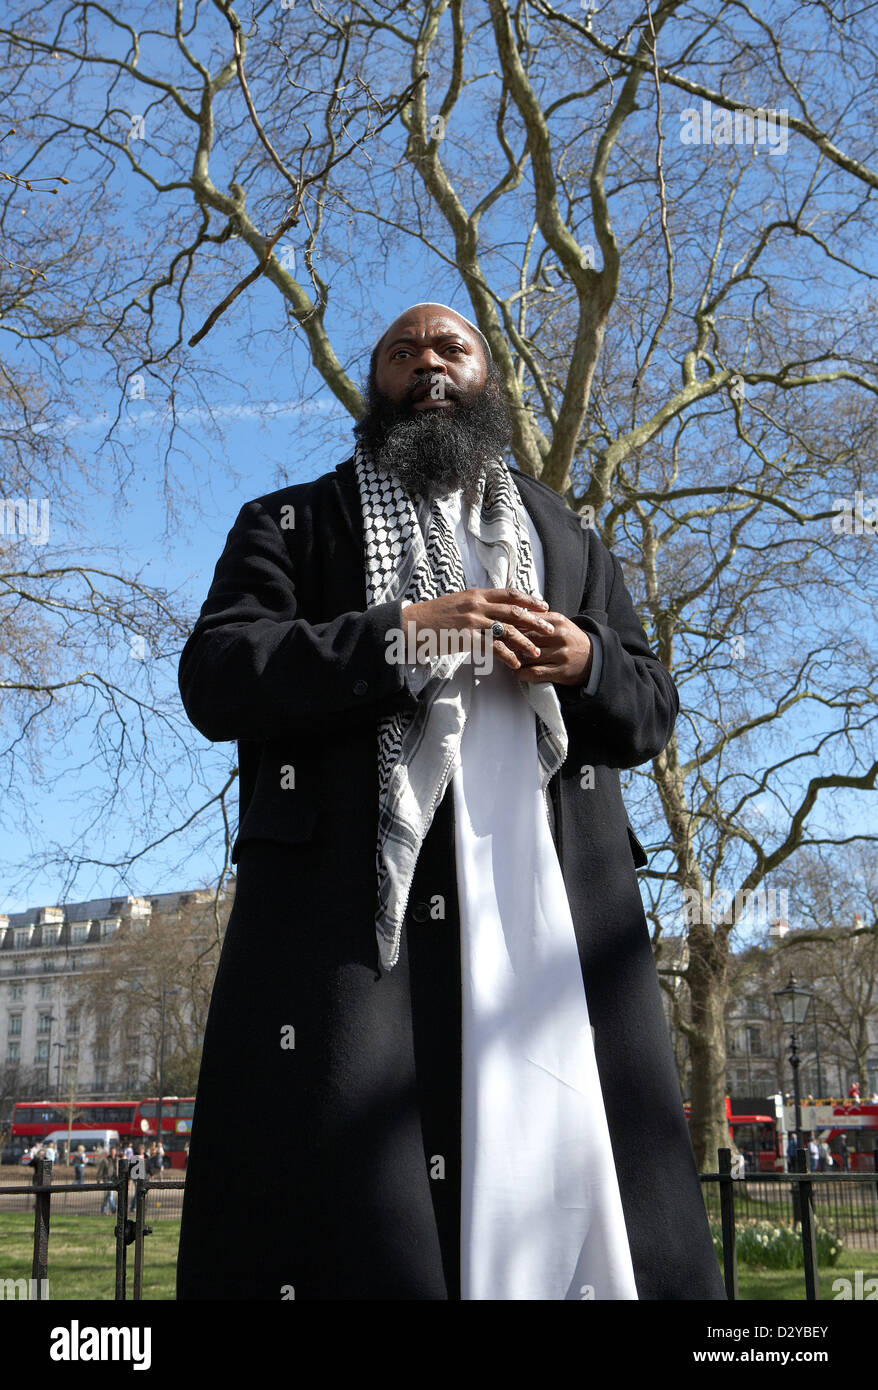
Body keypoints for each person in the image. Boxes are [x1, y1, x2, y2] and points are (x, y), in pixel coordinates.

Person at [175, 302, 725, 1302]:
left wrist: (586, 659)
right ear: (371, 386)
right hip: (358, 921)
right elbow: (218, 675)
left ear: (486, 376)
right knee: (367, 1219)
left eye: (449, 347)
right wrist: (403, 633)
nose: (426, 363)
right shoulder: (293, 523)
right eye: (400, 352)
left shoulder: (566, 533)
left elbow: (647, 713)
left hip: (554, 906)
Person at [96, 1145, 119, 1214]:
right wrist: (98, 1179)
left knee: (107, 1196)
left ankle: (103, 1209)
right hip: (107, 1179)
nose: (112, 1153)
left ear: (115, 1152)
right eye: (111, 1151)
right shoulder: (105, 1160)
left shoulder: (117, 1160)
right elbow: (100, 1170)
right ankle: (113, 1208)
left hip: (115, 1179)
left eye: (113, 1151)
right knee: (110, 1194)